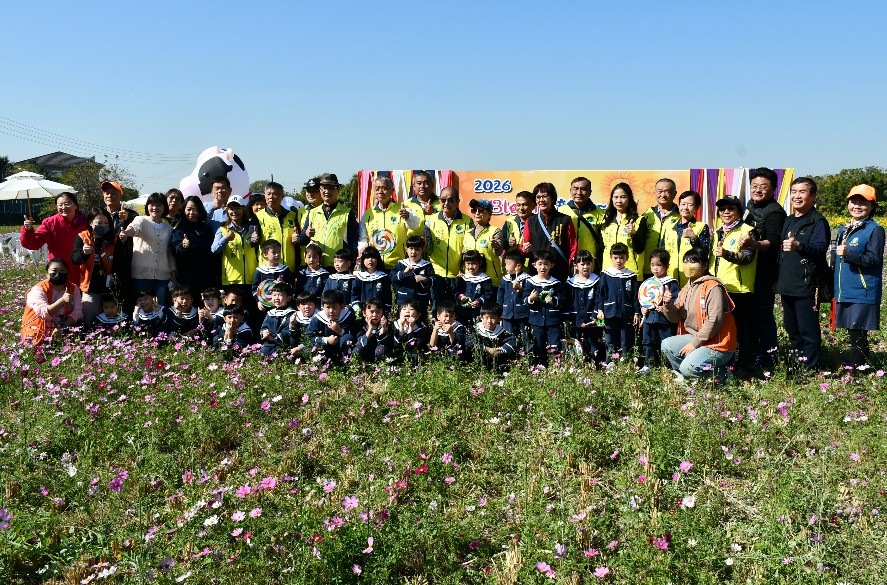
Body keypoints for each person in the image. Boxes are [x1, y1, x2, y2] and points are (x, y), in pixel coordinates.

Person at [777, 177, 831, 374]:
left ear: (813, 196)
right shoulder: (789, 220)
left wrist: (799, 246)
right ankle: (796, 364)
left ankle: (809, 367)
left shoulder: (818, 221)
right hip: (787, 283)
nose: (796, 196)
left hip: (807, 284)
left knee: (808, 329)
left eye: (802, 192)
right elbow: (780, 255)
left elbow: (819, 250)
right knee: (791, 328)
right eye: (794, 192)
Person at [661, 246, 737, 382]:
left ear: (704, 265)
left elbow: (714, 320)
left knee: (688, 367)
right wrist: (667, 305)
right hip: (697, 337)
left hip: (718, 343)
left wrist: (694, 344)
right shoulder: (686, 288)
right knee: (667, 345)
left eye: (693, 262)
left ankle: (723, 375)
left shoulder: (713, 287)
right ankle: (689, 377)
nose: (688, 265)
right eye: (685, 262)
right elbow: (675, 318)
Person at [740, 167, 787, 376]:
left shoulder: (775, 212)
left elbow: (773, 242)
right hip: (746, 271)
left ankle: (767, 358)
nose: (758, 190)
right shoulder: (748, 207)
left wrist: (753, 243)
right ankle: (749, 355)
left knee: (763, 317)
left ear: (773, 189)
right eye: (754, 186)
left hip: (764, 272)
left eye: (763, 186)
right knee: (747, 316)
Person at [831, 184, 884, 368]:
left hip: (862, 289)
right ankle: (860, 365)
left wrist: (849, 254)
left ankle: (858, 370)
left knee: (857, 330)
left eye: (863, 202)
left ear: (872, 207)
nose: (857, 206)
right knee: (852, 330)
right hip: (845, 289)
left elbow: (874, 259)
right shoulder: (844, 229)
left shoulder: (874, 229)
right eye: (854, 201)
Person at [711, 195, 756, 368]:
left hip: (739, 289)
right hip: (719, 288)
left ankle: (743, 365)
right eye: (722, 209)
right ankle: (724, 363)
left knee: (741, 330)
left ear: (739, 211)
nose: (726, 212)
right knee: (723, 329)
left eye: (731, 208)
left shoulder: (747, 231)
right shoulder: (717, 232)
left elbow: (747, 257)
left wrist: (727, 254)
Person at [121, 192, 177, 307]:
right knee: (141, 307)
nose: (155, 208)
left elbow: (170, 252)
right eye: (152, 204)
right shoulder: (141, 220)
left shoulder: (169, 228)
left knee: (159, 306)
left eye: (159, 205)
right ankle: (139, 326)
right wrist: (127, 232)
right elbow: (134, 229)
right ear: (147, 206)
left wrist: (173, 272)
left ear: (164, 207)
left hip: (163, 276)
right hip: (141, 275)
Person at [21, 192, 88, 287]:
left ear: (76, 205)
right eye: (60, 205)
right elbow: (32, 244)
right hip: (59, 270)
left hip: (83, 270)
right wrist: (27, 231)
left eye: (67, 203)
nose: (63, 207)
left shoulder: (87, 222)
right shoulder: (49, 223)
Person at [358, 176, 420, 270]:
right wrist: (363, 250)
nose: (380, 192)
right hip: (375, 267)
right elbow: (363, 238)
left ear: (392, 190)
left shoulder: (402, 209)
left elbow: (415, 225)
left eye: (384, 188)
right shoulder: (368, 214)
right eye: (377, 189)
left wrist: (408, 216)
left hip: (398, 265)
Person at [299, 173, 359, 269]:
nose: (327, 191)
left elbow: (354, 242)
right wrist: (306, 234)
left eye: (331, 188)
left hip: (338, 268)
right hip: (316, 268)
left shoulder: (347, 213)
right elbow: (302, 241)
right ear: (320, 190)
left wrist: (349, 263)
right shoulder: (312, 213)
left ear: (338, 190)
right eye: (324, 188)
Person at [71, 207, 119, 325]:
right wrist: (84, 253)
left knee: (114, 319)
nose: (103, 225)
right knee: (89, 318)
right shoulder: (82, 237)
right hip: (90, 288)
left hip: (110, 288)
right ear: (91, 223)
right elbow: (75, 259)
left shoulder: (113, 239)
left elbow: (120, 261)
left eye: (106, 223)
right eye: (99, 223)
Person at [521, 182, 577, 282]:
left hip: (559, 272)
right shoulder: (530, 221)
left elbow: (573, 247)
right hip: (537, 274)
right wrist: (525, 249)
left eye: (545, 196)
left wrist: (570, 266)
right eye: (538, 197)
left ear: (552, 198)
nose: (541, 200)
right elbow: (524, 246)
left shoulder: (565, 220)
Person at [425, 186, 471, 303]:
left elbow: (468, 250)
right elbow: (426, 248)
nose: (446, 203)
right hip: (436, 275)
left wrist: (463, 270)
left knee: (457, 313)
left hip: (458, 276)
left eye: (451, 200)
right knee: (437, 313)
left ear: (457, 202)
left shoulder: (467, 221)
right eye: (443, 200)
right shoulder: (430, 220)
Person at [21, 259, 83, 345]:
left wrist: (62, 326)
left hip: (64, 324)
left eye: (62, 271)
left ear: (68, 274)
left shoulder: (73, 288)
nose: (58, 274)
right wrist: (62, 300)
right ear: (47, 274)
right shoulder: (39, 289)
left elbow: (78, 311)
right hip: (39, 326)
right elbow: (43, 312)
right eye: (54, 271)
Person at [597, 243, 641, 365]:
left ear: (627, 257)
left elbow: (635, 296)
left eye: (622, 257)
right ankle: (610, 361)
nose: (619, 261)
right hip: (610, 312)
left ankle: (626, 362)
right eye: (616, 258)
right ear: (611, 257)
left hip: (626, 312)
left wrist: (636, 312)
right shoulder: (606, 274)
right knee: (610, 338)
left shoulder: (631, 276)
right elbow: (601, 294)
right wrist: (600, 310)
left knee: (626, 338)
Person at [211, 195, 260, 298]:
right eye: (231, 209)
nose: (234, 212)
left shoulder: (252, 228)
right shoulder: (223, 229)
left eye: (237, 208)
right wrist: (225, 239)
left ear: (244, 209)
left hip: (252, 279)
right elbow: (214, 249)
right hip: (231, 280)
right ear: (227, 211)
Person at [639, 249, 680, 372]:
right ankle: (648, 364)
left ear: (667, 266)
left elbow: (676, 301)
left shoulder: (671, 283)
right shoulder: (648, 283)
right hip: (649, 319)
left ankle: (668, 366)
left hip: (664, 320)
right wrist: (642, 309)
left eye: (659, 265)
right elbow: (642, 299)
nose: (655, 268)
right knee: (648, 341)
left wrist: (665, 308)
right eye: (652, 265)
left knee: (665, 342)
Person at [524, 250, 566, 364]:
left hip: (553, 321)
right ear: (534, 265)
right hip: (536, 320)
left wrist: (553, 301)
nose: (543, 267)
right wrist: (531, 298)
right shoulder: (530, 282)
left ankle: (555, 365)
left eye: (546, 264)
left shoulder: (556, 283)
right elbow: (524, 300)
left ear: (552, 265)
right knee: (538, 345)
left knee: (555, 345)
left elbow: (562, 299)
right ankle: (540, 366)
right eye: (540, 264)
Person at [598, 183, 647, 279]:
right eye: (615, 197)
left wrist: (634, 234)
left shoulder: (638, 220)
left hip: (631, 273)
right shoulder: (605, 222)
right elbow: (601, 249)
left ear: (629, 199)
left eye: (623, 197)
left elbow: (640, 249)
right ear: (612, 199)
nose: (619, 201)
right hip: (609, 273)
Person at [663, 190, 711, 285]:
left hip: (692, 279)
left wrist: (694, 238)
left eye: (690, 205)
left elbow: (704, 253)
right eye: (683, 204)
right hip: (670, 278)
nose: (685, 207)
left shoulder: (701, 227)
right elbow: (662, 250)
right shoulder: (669, 225)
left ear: (696, 208)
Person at [172, 195, 215, 297]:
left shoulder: (206, 228)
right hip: (187, 277)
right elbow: (175, 250)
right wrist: (183, 245)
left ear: (200, 210)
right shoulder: (179, 228)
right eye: (188, 209)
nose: (191, 213)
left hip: (206, 276)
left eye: (194, 209)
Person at [566, 249, 604, 364]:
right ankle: (577, 364)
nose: (585, 267)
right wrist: (568, 318)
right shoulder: (570, 283)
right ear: (576, 265)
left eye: (588, 264)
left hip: (592, 320)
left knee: (594, 343)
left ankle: (595, 364)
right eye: (582, 264)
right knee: (576, 343)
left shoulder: (597, 281)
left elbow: (599, 299)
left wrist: (595, 315)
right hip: (576, 320)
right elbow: (568, 302)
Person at [256, 181, 302, 272]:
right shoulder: (258, 217)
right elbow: (252, 242)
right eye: (268, 194)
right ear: (264, 196)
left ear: (282, 197)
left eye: (275, 194)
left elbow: (300, 240)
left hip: (288, 268)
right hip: (267, 269)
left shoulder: (292, 215)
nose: (271, 197)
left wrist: (297, 240)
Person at [558, 177, 604, 267]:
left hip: (590, 264)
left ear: (590, 192)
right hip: (566, 263)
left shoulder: (600, 213)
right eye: (575, 189)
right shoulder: (560, 212)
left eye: (583, 189)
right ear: (570, 191)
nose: (579, 193)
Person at [640, 178, 680, 278]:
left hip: (671, 272)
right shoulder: (647, 214)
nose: (663, 195)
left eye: (667, 191)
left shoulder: (681, 217)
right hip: (648, 270)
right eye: (660, 191)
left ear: (675, 194)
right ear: (655, 193)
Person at [463, 198, 504, 288]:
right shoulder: (467, 233)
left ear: (489, 214)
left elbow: (499, 252)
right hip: (471, 280)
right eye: (474, 210)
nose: (477, 213)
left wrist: (495, 246)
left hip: (490, 281)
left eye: (481, 210)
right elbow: (464, 256)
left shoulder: (495, 231)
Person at [307, 289, 357, 361]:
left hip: (341, 348)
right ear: (322, 306)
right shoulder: (318, 319)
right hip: (325, 348)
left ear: (342, 306)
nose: (331, 311)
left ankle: (346, 361)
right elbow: (310, 337)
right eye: (327, 307)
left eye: (334, 307)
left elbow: (355, 334)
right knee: (308, 347)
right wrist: (326, 340)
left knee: (348, 338)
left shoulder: (348, 316)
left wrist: (340, 331)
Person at [467, 302, 518, 370]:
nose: (489, 321)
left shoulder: (501, 332)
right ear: (481, 318)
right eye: (486, 318)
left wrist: (500, 350)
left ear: (499, 319)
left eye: (493, 318)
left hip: (496, 361)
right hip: (478, 361)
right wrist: (486, 349)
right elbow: (468, 342)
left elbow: (513, 342)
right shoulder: (475, 329)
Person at [390, 235, 435, 313]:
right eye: (411, 249)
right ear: (406, 250)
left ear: (422, 250)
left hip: (421, 300)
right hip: (404, 300)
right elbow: (392, 277)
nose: (414, 252)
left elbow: (433, 280)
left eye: (417, 249)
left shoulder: (427, 265)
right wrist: (404, 273)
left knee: (420, 321)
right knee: (403, 321)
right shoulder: (401, 264)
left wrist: (424, 279)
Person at [498, 249, 531, 350]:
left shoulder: (527, 279)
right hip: (507, 314)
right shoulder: (505, 280)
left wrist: (520, 288)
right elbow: (500, 297)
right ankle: (510, 358)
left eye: (508, 264)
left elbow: (529, 295)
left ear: (518, 266)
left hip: (522, 314)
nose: (505, 266)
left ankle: (528, 357)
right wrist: (499, 311)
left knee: (525, 338)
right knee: (509, 337)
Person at [252, 239, 296, 313]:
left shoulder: (284, 269)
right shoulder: (260, 271)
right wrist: (258, 301)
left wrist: (284, 284)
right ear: (265, 254)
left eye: (279, 251)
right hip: (265, 306)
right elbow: (255, 288)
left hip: (283, 305)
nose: (277, 254)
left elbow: (292, 286)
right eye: (274, 252)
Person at [259, 282, 298, 358]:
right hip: (270, 343)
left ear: (288, 298)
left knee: (280, 356)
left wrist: (274, 337)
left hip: (284, 344)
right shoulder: (270, 313)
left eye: (280, 295)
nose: (276, 298)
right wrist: (264, 332)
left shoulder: (291, 313)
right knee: (263, 353)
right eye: (274, 295)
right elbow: (264, 327)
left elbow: (288, 331)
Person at [355, 298, 395, 362]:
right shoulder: (360, 326)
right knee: (357, 349)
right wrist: (370, 329)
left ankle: (380, 366)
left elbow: (384, 344)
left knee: (381, 349)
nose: (375, 315)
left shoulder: (387, 326)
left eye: (378, 312)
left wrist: (384, 328)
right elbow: (361, 343)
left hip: (378, 353)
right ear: (364, 313)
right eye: (372, 311)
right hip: (366, 354)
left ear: (382, 314)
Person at [354, 246, 392, 313]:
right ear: (363, 260)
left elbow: (388, 295)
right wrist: (357, 308)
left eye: (373, 257)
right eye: (367, 258)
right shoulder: (359, 277)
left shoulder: (383, 277)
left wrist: (386, 310)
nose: (370, 260)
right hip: (363, 312)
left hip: (379, 312)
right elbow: (355, 294)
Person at [402, 170, 440, 238]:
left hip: (437, 246)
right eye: (419, 183)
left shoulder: (442, 202)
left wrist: (434, 212)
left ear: (432, 185)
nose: (422, 186)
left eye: (426, 183)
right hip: (415, 246)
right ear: (414, 186)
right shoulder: (406, 204)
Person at [323, 248, 359, 313]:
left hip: (346, 310)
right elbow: (325, 295)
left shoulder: (352, 279)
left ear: (348, 263)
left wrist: (351, 307)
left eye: (340, 261)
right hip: (331, 311)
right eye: (335, 261)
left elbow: (354, 296)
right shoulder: (331, 279)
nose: (337, 264)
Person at [502, 191, 533, 264]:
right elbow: (500, 244)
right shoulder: (509, 221)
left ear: (533, 206)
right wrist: (507, 242)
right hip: (510, 268)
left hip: (529, 268)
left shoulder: (537, 222)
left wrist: (532, 247)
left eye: (524, 205)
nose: (521, 208)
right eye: (518, 205)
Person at [288, 291, 317, 357]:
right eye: (303, 304)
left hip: (312, 344)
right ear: (298, 307)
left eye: (310, 304)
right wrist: (292, 324)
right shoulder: (296, 316)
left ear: (315, 305)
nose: (307, 307)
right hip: (298, 343)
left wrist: (299, 348)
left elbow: (313, 338)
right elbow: (293, 334)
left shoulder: (318, 318)